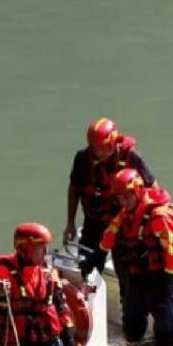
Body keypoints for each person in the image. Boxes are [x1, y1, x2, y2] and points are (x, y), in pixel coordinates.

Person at [101, 169, 173, 346]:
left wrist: (169, 283)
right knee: (132, 318)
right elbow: (107, 242)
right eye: (119, 198)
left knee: (165, 323)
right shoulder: (125, 214)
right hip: (136, 274)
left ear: (137, 192)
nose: (123, 202)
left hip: (159, 275)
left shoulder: (158, 218)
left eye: (126, 197)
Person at [64, 118, 155, 280]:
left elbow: (152, 189)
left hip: (123, 224)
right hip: (94, 222)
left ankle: (128, 298)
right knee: (86, 265)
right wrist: (70, 222)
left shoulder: (131, 158)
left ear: (112, 144)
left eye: (101, 148)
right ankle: (86, 296)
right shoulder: (83, 159)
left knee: (126, 270)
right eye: (94, 148)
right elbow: (74, 189)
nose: (97, 153)